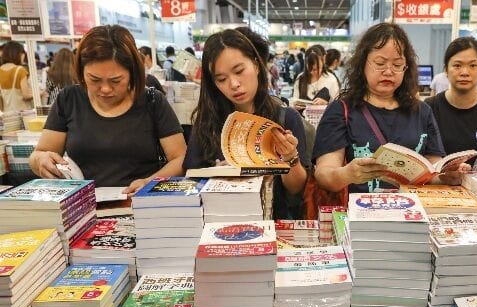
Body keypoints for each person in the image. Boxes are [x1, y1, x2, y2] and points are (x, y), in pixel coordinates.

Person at [29, 24, 186, 195]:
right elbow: (40, 153)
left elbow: (180, 158)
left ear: (132, 73)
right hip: (80, 205)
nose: (105, 89)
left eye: (116, 80)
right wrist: (40, 160)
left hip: (139, 203)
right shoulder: (69, 99)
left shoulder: (153, 101)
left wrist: (150, 182)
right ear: (81, 71)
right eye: (94, 80)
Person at [313, 23, 467, 194]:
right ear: (362, 64)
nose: (388, 71)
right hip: (360, 214)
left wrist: (446, 175)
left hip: (412, 212)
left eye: (397, 64)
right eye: (380, 63)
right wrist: (347, 174)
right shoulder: (341, 110)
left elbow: (433, 167)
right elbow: (324, 174)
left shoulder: (422, 111)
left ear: (406, 68)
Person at [183, 29, 308, 219]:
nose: (234, 84)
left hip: (273, 224)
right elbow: (191, 179)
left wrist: (290, 157)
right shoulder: (207, 122)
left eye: (239, 71)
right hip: (218, 224)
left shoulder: (285, 118)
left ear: (256, 65)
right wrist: (220, 176)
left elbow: (296, 189)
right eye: (221, 79)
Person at [425, 37, 477, 155]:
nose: (465, 72)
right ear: (446, 70)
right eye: (457, 66)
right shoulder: (429, 108)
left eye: (473, 66)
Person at [0, 41, 33, 112]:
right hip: (22, 112)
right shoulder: (20, 70)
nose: (23, 56)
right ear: (17, 54)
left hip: (7, 113)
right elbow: (26, 95)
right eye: (22, 53)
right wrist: (39, 94)